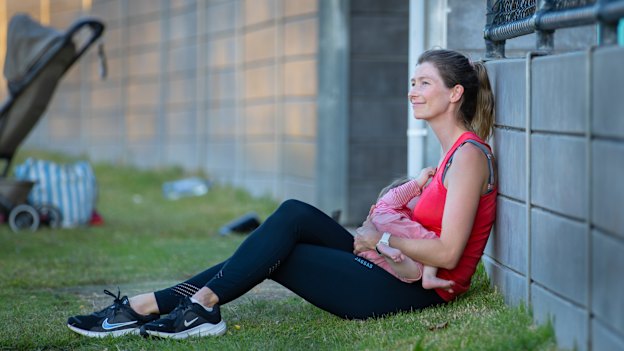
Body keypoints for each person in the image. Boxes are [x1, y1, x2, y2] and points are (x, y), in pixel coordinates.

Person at [66, 49, 497, 339]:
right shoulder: (446, 158)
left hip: (417, 289)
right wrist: (384, 237)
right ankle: (162, 305)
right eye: (413, 81)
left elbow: (446, 253)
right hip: (401, 267)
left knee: (281, 251)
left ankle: (196, 308)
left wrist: (380, 240)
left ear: (455, 93)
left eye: (423, 83)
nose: (412, 92)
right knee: (292, 216)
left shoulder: (470, 157)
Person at [358, 167, 455, 293]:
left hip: (378, 258)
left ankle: (385, 249)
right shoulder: (386, 203)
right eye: (421, 193)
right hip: (384, 224)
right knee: (433, 243)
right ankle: (428, 276)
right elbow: (402, 193)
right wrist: (419, 181)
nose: (423, 195)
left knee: (415, 271)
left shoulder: (408, 224)